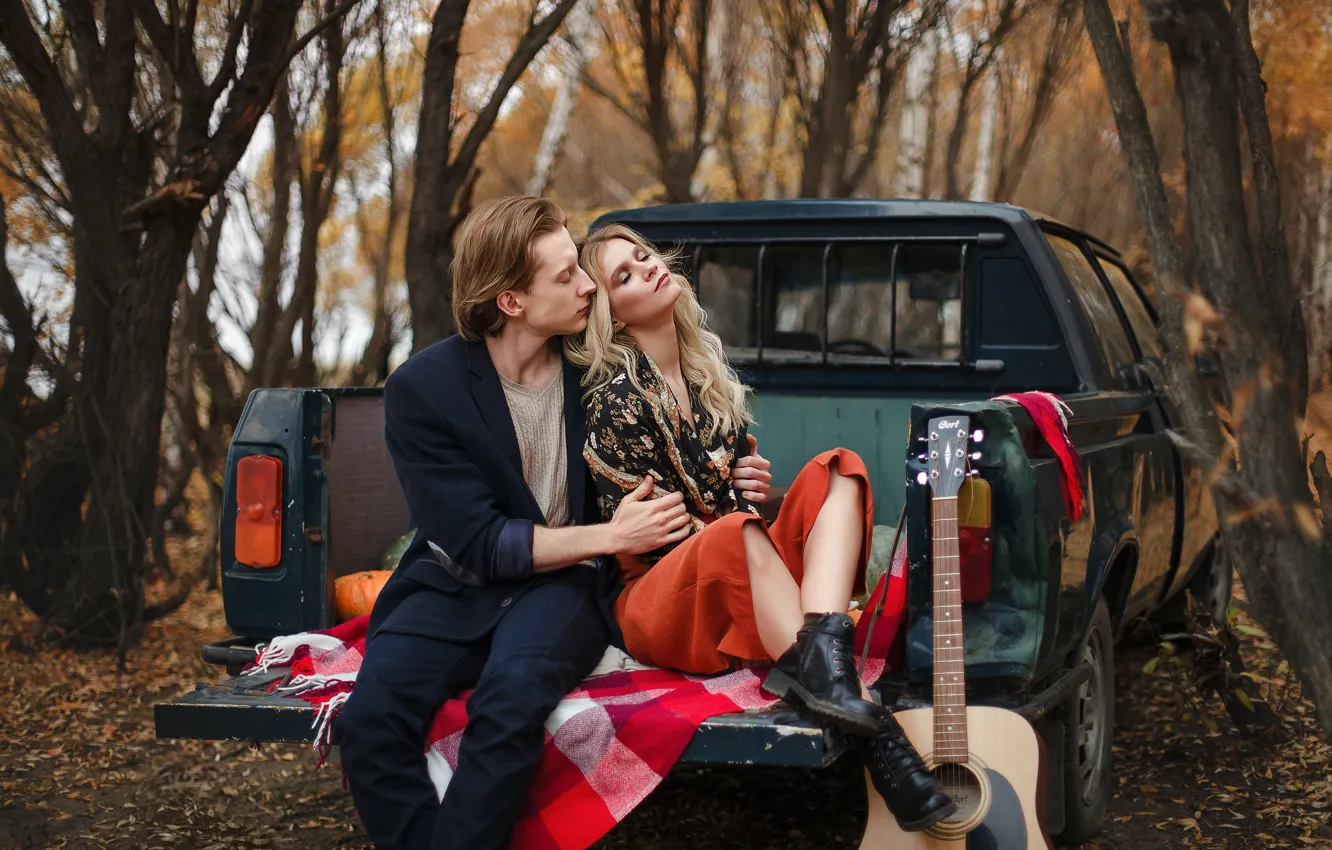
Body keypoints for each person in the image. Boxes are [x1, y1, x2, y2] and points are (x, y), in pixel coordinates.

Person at [334, 197, 774, 850]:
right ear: (511, 300)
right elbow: (479, 543)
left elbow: (681, 432)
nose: (588, 285)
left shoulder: (594, 368)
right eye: (566, 274)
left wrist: (737, 474)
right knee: (369, 722)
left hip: (562, 591)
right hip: (452, 586)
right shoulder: (423, 389)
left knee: (509, 706)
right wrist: (612, 536)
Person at [566, 223, 957, 834]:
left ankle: (823, 657)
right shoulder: (616, 402)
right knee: (734, 532)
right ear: (613, 318)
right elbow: (667, 535)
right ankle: (874, 729)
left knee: (840, 469)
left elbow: (724, 510)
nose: (646, 267)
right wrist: (734, 505)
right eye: (624, 275)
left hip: (727, 561)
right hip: (658, 601)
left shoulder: (704, 376)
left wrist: (748, 487)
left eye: (642, 256)